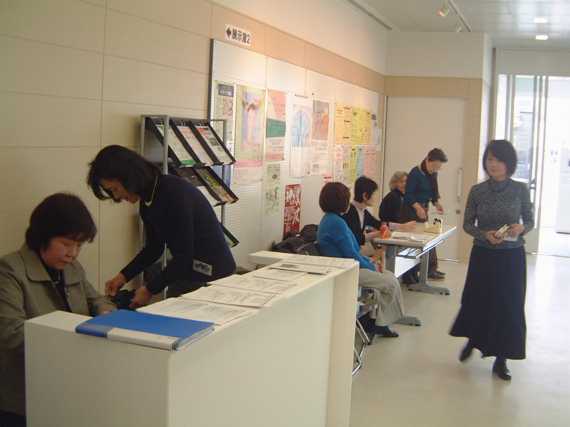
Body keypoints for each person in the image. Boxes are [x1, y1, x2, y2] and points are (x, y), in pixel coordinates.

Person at [0, 193, 115, 426]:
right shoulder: (10, 270)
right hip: (26, 392)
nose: (73, 253)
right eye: (66, 244)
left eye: (79, 245)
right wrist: (72, 340)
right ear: (42, 237)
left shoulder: (72, 267)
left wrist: (105, 313)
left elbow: (97, 299)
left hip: (69, 380)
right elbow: (11, 333)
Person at [87, 145, 236, 307]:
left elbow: (184, 256)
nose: (117, 196)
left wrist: (149, 289)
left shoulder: (173, 194)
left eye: (115, 189)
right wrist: (123, 276)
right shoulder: (148, 201)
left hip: (214, 278)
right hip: (188, 273)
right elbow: (154, 248)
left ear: (129, 176)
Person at [450, 140, 533, 381]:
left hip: (511, 257)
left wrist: (521, 228)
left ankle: (501, 359)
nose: (493, 164)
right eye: (489, 160)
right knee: (477, 300)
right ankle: (472, 341)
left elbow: (529, 220)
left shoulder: (519, 189)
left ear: (509, 163)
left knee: (508, 306)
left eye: (498, 160)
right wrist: (483, 234)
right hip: (484, 255)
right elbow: (467, 224)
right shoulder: (478, 191)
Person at [317, 182, 405, 338]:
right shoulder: (336, 223)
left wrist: (370, 263)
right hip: (346, 270)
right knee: (390, 282)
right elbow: (351, 254)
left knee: (389, 277)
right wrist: (371, 266)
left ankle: (377, 321)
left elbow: (352, 251)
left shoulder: (331, 219)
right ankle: (379, 324)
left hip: (347, 266)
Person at [403, 148, 448, 280]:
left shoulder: (433, 174)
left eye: (438, 168)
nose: (435, 170)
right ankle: (409, 275)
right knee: (413, 243)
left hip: (424, 210)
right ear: (428, 160)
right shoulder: (415, 173)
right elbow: (408, 195)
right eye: (434, 166)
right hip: (411, 211)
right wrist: (418, 208)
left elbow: (434, 191)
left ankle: (430, 269)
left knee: (428, 239)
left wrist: (436, 203)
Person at [379, 171, 419, 284]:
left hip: (402, 230)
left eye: (406, 182)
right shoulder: (393, 197)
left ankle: (411, 274)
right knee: (412, 246)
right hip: (392, 232)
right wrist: (404, 226)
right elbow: (390, 219)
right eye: (401, 182)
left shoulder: (405, 197)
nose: (404, 184)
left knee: (416, 247)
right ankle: (408, 275)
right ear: (395, 183)